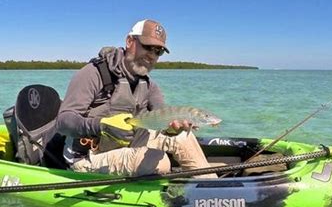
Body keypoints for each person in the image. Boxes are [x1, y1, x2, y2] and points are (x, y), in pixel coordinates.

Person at [56, 19, 217, 178]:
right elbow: (63, 122)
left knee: (184, 138)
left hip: (131, 144)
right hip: (88, 156)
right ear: (129, 41)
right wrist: (101, 126)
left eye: (158, 51)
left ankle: (210, 191)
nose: (152, 56)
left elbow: (162, 119)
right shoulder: (93, 73)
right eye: (148, 47)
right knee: (159, 162)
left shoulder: (149, 85)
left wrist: (172, 130)